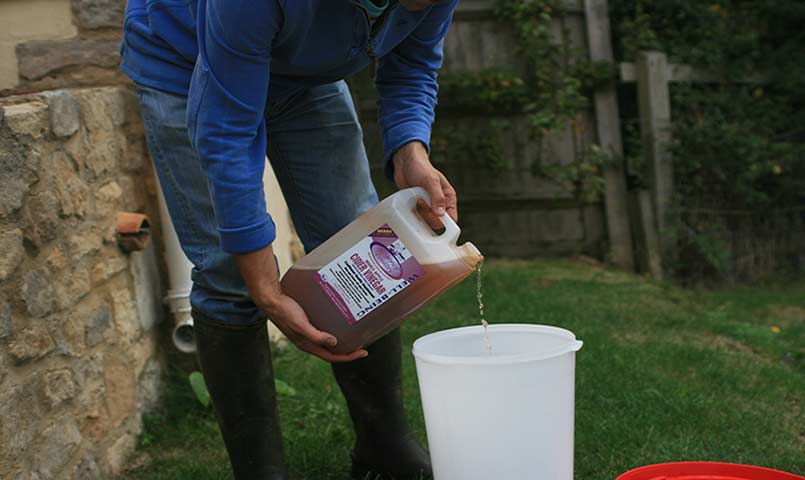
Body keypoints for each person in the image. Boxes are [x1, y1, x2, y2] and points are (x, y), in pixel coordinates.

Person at [121, 0, 460, 478]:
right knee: (227, 269)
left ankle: (384, 446)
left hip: (305, 81)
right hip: (187, 63)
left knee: (357, 240)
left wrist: (411, 150)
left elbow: (412, 63)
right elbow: (226, 132)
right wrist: (263, 286)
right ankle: (261, 472)